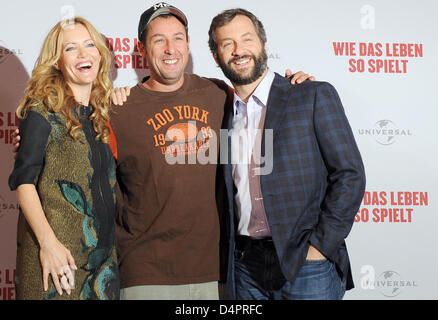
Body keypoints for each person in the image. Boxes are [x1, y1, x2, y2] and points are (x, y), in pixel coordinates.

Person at [11, 2, 312, 300]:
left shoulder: (219, 94)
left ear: (189, 45)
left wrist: (293, 86)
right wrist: (32, 141)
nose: (170, 48)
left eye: (178, 38)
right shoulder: (117, 108)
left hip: (217, 273)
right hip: (144, 275)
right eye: (158, 40)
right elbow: (55, 159)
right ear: (141, 49)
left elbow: (259, 101)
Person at [208, 8, 366, 300]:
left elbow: (350, 175)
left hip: (306, 265)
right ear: (217, 57)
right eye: (227, 44)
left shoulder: (310, 94)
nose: (239, 50)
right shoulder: (220, 111)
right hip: (245, 268)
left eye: (247, 39)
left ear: (264, 45)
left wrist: (320, 247)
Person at [8, 17, 120, 300]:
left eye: (89, 45)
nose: (83, 54)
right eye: (71, 48)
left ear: (99, 54)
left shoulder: (100, 116)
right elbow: (24, 182)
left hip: (103, 264)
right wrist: (49, 245)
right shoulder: (42, 110)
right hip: (57, 263)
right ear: (57, 61)